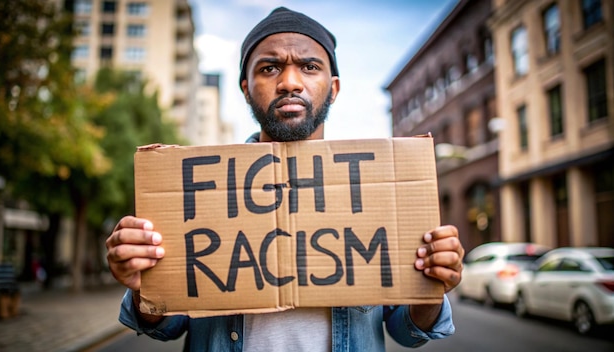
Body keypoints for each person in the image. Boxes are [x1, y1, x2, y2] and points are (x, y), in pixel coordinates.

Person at [106, 7, 464, 352]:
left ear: (334, 87)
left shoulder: (381, 191)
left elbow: (406, 329)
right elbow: (167, 326)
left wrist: (432, 287)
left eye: (309, 66)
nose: (289, 82)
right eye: (269, 67)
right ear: (246, 87)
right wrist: (144, 288)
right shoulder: (198, 193)